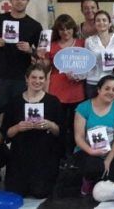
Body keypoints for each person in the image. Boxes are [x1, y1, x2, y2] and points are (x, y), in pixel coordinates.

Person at [1, 64, 63, 199]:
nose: (37, 81)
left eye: (41, 78)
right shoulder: (15, 102)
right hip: (20, 156)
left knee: (40, 193)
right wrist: (18, 127)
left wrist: (50, 125)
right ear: (26, 79)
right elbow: (6, 133)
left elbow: (60, 132)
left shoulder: (53, 102)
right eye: (34, 77)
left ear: (46, 80)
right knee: (16, 193)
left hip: (44, 156)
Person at [0, 0, 43, 108]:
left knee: (20, 111)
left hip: (23, 77)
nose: (19, 1)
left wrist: (30, 50)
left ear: (27, 1)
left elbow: (41, 54)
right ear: (10, 0)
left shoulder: (35, 25)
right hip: (0, 76)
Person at [36, 14, 85, 162]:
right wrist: (41, 56)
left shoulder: (82, 43)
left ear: (73, 29)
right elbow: (45, 68)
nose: (65, 32)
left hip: (77, 91)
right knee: (59, 126)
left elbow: (89, 65)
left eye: (68, 28)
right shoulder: (52, 45)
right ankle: (60, 156)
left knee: (76, 126)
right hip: (58, 91)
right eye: (62, 29)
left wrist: (79, 75)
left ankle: (75, 156)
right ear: (57, 30)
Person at [74, 75, 114, 195]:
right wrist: (91, 151)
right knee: (94, 168)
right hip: (88, 152)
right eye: (107, 88)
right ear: (99, 89)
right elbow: (78, 137)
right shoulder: (83, 108)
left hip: (111, 152)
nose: (110, 92)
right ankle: (87, 181)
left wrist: (108, 159)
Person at [85, 10, 114, 100]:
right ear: (95, 24)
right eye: (98, 20)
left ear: (109, 23)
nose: (101, 23)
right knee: (94, 112)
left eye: (104, 20)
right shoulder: (89, 41)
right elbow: (86, 62)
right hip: (94, 83)